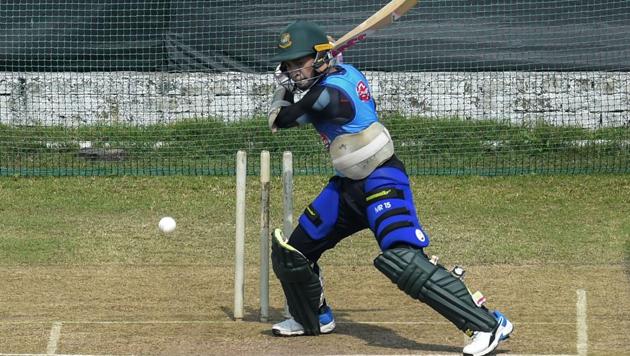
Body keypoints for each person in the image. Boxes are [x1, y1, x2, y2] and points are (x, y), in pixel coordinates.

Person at [266, 20, 513, 356]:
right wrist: (312, 72)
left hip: (382, 180)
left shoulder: (326, 95)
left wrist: (282, 93)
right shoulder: (344, 72)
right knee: (294, 254)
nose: (293, 71)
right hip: (347, 188)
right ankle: (313, 317)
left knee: (404, 260)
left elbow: (279, 121)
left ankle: (488, 324)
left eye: (299, 63)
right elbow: (314, 97)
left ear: (321, 58)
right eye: (289, 65)